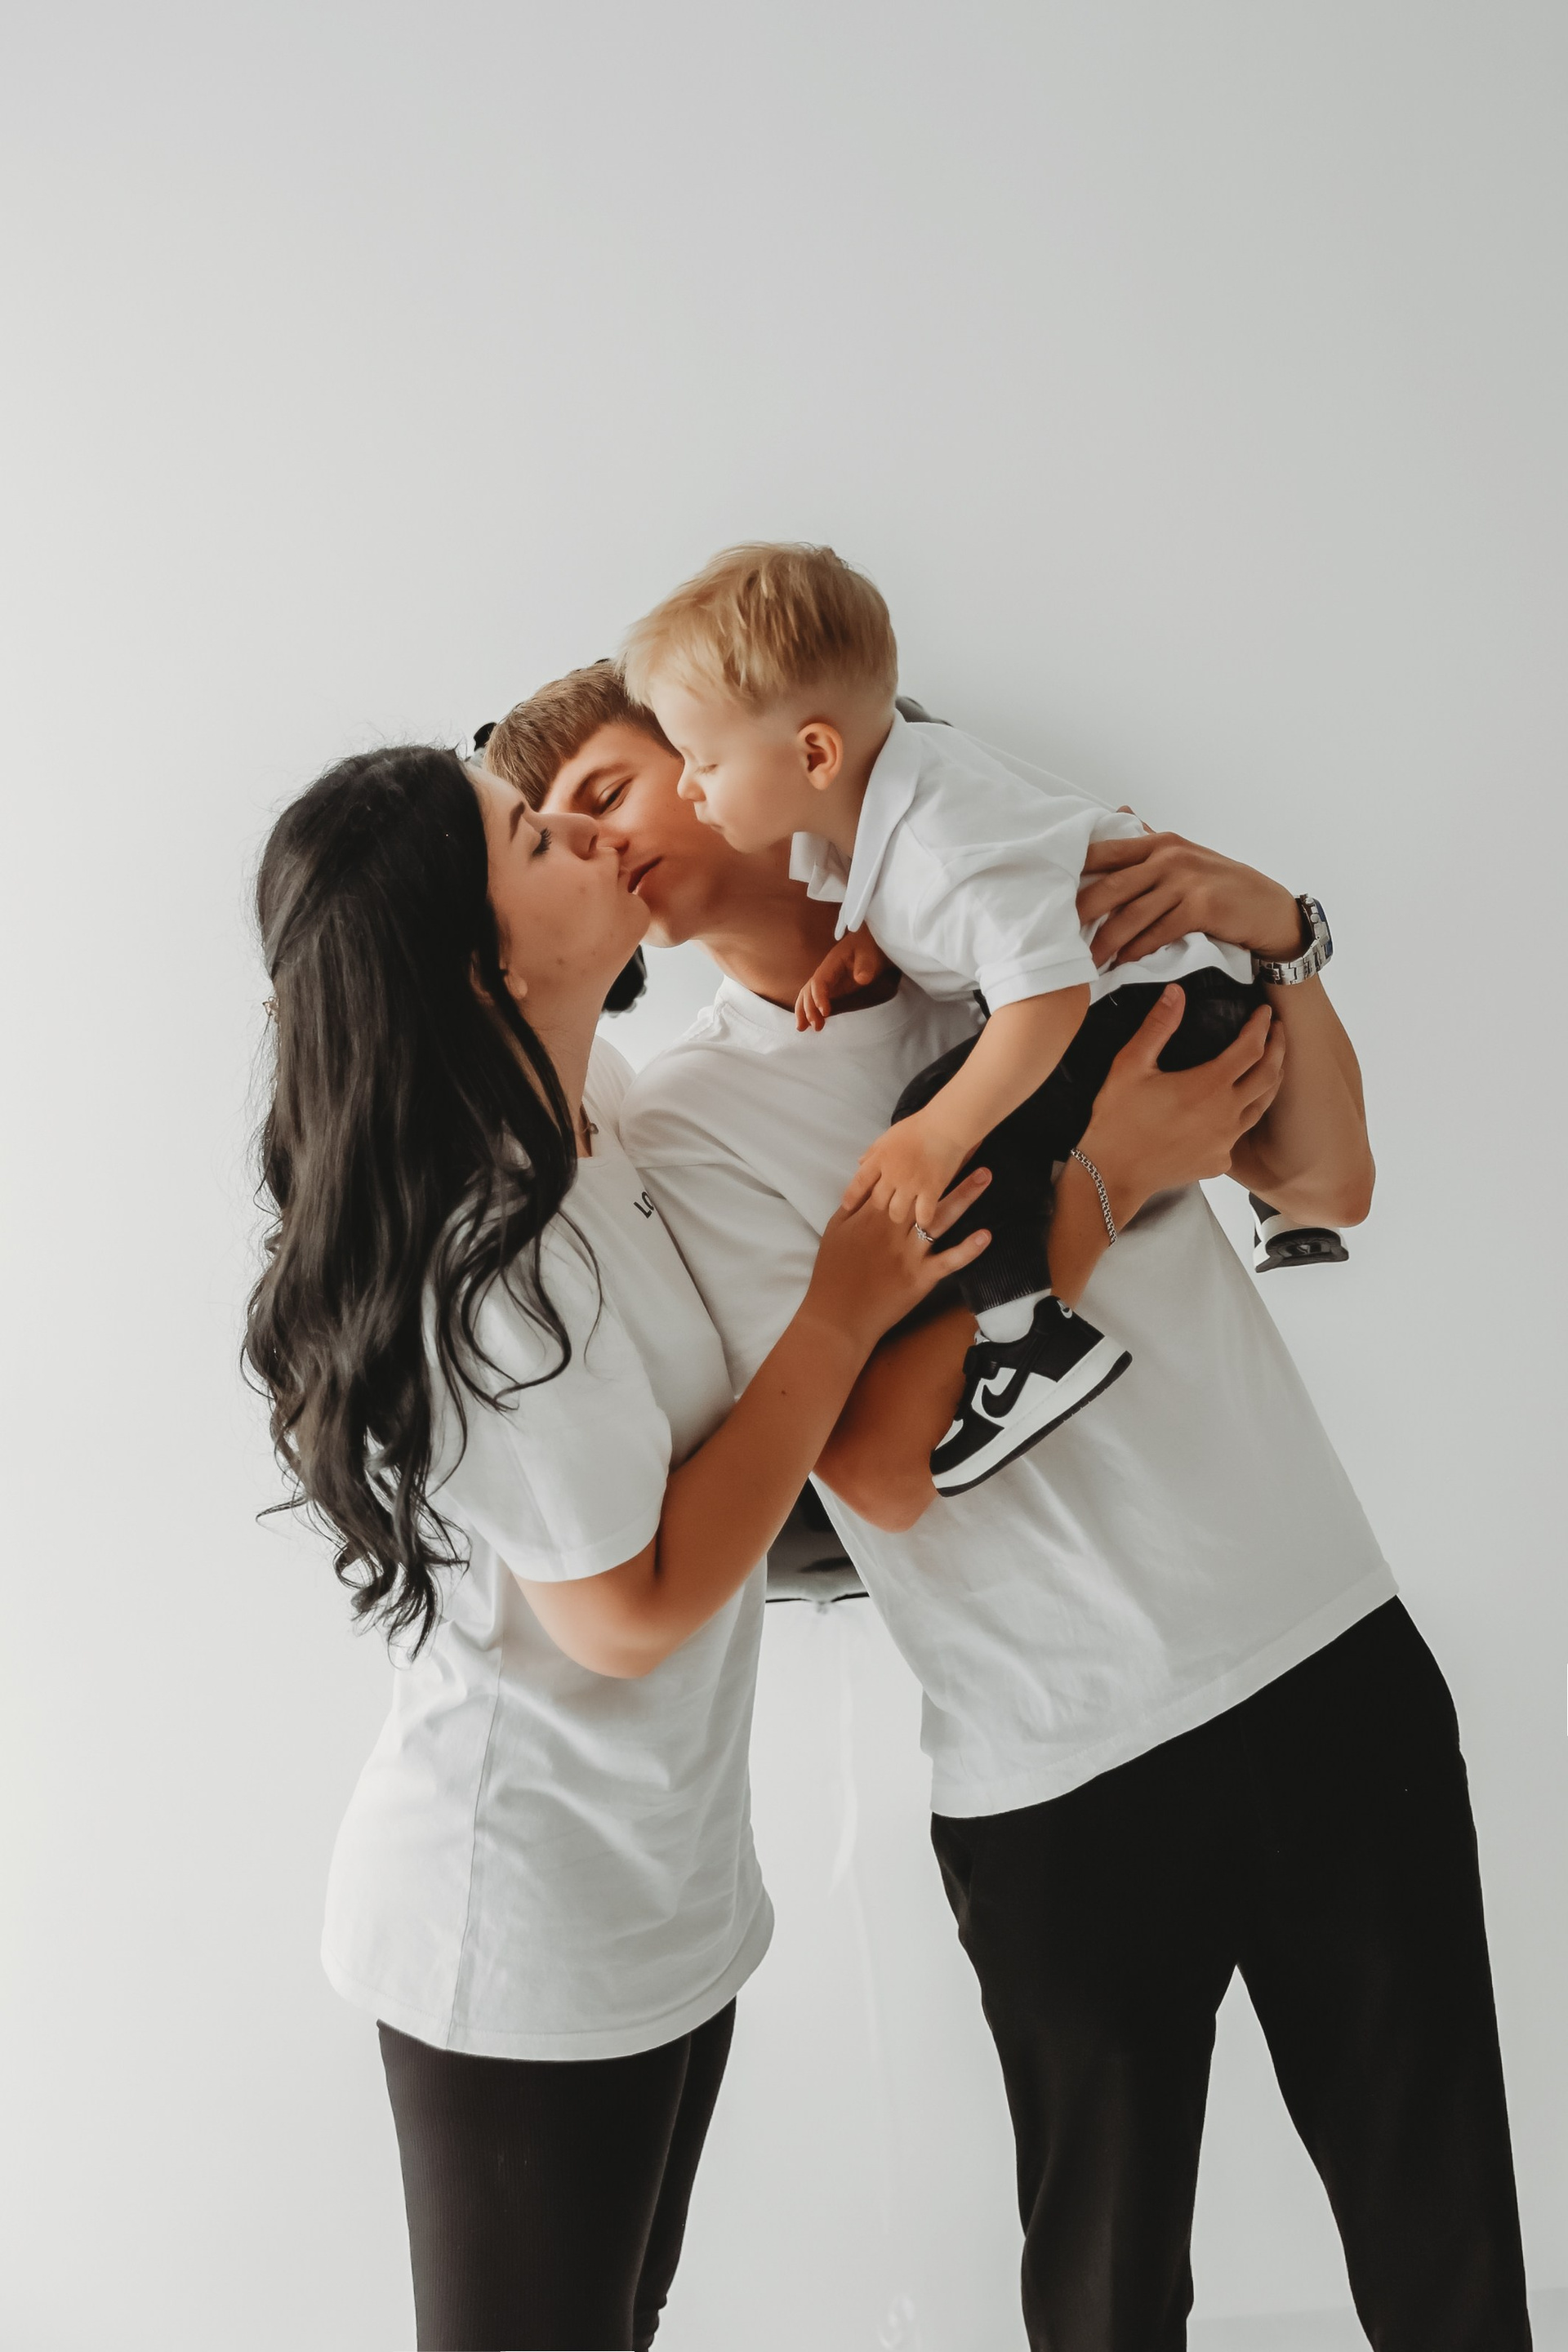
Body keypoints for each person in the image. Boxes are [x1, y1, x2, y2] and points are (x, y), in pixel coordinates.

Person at [490, 666, 1532, 2352]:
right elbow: (879, 1464)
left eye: (614, 788)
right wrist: (1103, 1173)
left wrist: (1281, 934)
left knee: (1454, 2269)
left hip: (1325, 1651)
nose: (600, 843)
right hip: (1057, 1763)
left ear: (740, 751)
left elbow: (1327, 1178)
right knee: (1106, 2312)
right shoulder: (690, 1125)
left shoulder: (1015, 916)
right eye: (559, 829)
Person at [242, 743, 991, 2351]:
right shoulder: (487, 1263)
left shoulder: (596, 1116)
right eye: (536, 834)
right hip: (520, 1935)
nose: (588, 832)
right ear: (485, 966)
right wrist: (845, 1309)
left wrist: (856, 958)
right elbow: (629, 1614)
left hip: (664, 1900)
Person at [621, 542, 1343, 1495]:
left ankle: (1028, 1337)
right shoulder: (885, 804)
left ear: (815, 754)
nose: (689, 786)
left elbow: (1045, 998)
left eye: (703, 761)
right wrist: (862, 947)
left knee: (950, 1116)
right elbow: (921, 905)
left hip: (1164, 1005)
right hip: (1177, 988)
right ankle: (1270, 1205)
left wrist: (939, 1132)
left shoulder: (939, 843)